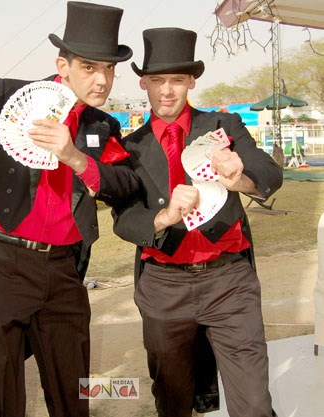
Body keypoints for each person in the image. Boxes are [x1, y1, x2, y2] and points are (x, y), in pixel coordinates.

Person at [0, 2, 139, 417]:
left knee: (71, 388)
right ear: (63, 64)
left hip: (62, 269)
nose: (102, 80)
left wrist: (75, 157)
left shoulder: (100, 126)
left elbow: (126, 185)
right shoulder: (8, 94)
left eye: (109, 70)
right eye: (90, 67)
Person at [111, 27, 282, 417]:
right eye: (157, 80)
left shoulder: (223, 127)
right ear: (143, 82)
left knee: (254, 403)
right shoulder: (129, 146)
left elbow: (266, 170)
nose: (167, 91)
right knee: (172, 400)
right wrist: (165, 216)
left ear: (191, 80)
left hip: (229, 283)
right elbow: (124, 220)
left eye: (176, 80)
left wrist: (241, 177)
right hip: (163, 285)